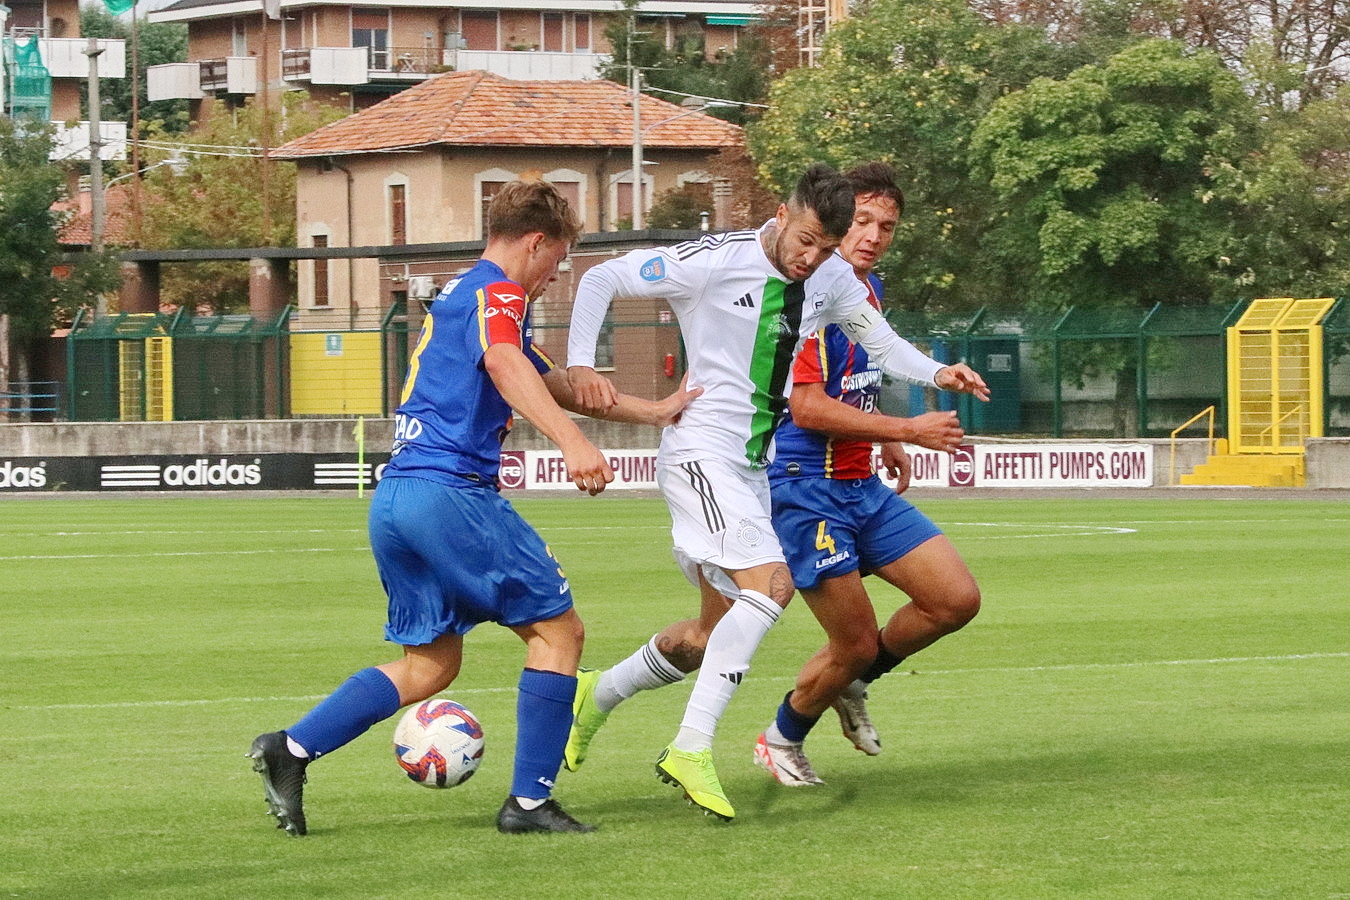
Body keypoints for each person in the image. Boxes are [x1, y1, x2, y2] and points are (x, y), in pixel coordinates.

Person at [248, 179, 700, 837]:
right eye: (558, 261)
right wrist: (572, 442)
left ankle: (288, 749)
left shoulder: (465, 295)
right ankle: (529, 803)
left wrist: (655, 411)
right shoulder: (499, 292)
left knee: (430, 664)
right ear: (538, 242)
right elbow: (506, 366)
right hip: (449, 492)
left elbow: (550, 380)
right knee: (559, 633)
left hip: (398, 497)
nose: (553, 278)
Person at [564, 163, 988, 821]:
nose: (812, 258)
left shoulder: (833, 277)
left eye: (828, 247)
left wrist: (940, 372)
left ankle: (600, 694)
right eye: (808, 240)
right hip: (700, 453)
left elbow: (881, 344)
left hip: (752, 471)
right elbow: (598, 278)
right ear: (784, 213)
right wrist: (583, 363)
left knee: (710, 633)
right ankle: (691, 748)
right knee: (771, 588)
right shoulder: (714, 261)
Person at [752, 161, 982, 787]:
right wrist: (907, 430)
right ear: (831, 221)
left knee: (954, 599)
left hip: (860, 483)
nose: (875, 235)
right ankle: (782, 737)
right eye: (862, 221)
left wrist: (883, 432)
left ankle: (848, 684)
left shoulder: (866, 292)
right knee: (850, 641)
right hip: (804, 487)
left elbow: (854, 382)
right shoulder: (803, 290)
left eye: (887, 225)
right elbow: (805, 405)